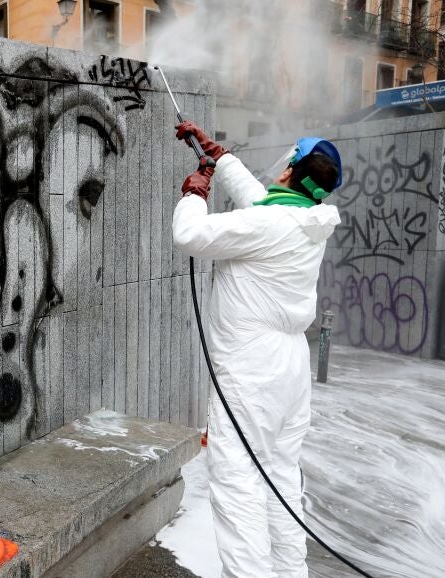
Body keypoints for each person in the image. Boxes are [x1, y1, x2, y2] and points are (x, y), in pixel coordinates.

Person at [171, 121, 342, 578]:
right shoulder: (306, 221)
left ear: (288, 173)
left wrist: (194, 193)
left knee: (237, 479)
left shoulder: (268, 224)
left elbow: (189, 235)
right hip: (290, 370)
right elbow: (260, 204)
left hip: (254, 371)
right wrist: (220, 156)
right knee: (280, 477)